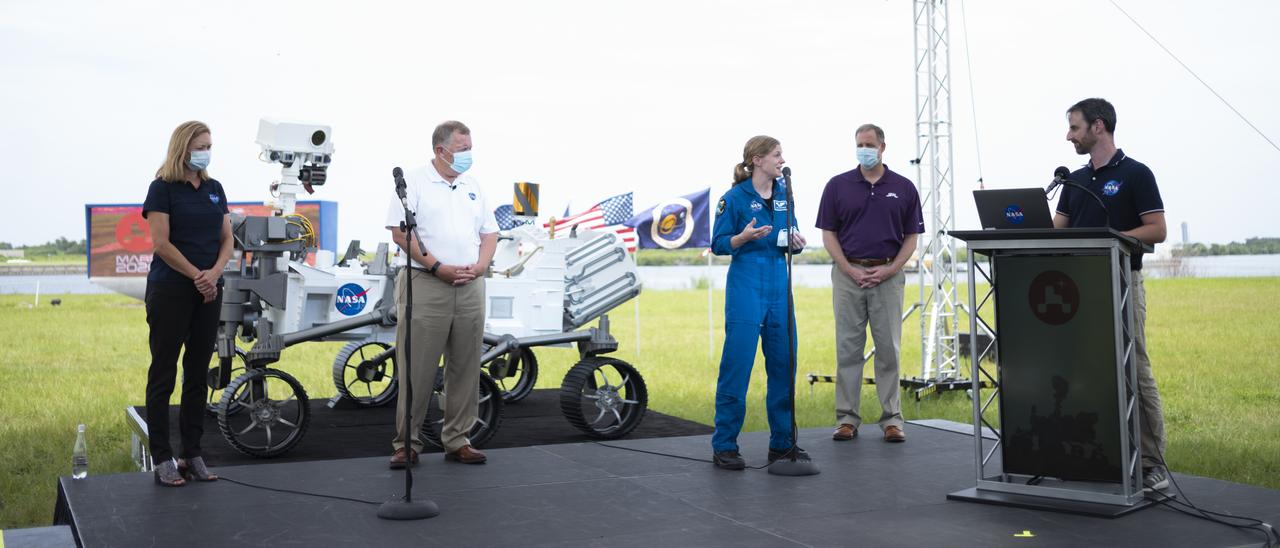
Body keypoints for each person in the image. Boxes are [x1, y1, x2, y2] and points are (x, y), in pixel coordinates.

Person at [1054, 97, 1168, 490]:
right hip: (1077, 291)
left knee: (1134, 368)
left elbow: (1156, 230)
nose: (1069, 136)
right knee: (1087, 373)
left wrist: (1112, 240)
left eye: (1074, 127)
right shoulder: (1074, 181)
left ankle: (1153, 464)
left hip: (1122, 283)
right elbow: (1057, 231)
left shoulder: (1137, 174)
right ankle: (1096, 452)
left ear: (1098, 126)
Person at [384, 120, 498, 468]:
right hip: (427, 281)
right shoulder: (415, 182)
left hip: (469, 284)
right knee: (417, 366)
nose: (468, 155)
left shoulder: (473, 185)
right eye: (462, 149)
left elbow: (489, 233)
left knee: (465, 366)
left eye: (469, 148)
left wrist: (479, 267)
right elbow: (401, 234)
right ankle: (407, 443)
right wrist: (437, 266)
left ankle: (458, 439)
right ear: (440, 150)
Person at [816, 124, 923, 444]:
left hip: (887, 277)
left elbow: (911, 237)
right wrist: (848, 268)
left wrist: (891, 269)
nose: (864, 149)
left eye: (869, 144)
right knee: (848, 348)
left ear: (882, 147)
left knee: (888, 348)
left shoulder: (903, 187)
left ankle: (892, 419)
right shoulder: (838, 186)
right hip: (848, 276)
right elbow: (828, 234)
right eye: (859, 144)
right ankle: (847, 418)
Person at [709, 135, 808, 470]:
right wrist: (742, 237)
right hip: (746, 285)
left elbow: (789, 231)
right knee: (737, 366)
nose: (782, 160)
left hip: (780, 283)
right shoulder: (733, 199)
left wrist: (797, 242)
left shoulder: (785, 194)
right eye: (777, 155)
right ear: (757, 159)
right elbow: (719, 244)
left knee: (783, 365)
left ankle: (782, 443)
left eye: (782, 154)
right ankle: (724, 445)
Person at [142, 121, 232, 486]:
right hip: (172, 290)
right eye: (202, 145)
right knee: (164, 372)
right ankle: (162, 456)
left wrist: (214, 274)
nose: (207, 152)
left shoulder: (214, 189)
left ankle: (191, 453)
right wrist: (198, 274)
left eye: (210, 146)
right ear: (183, 147)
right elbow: (160, 243)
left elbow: (227, 238)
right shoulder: (162, 188)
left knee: (197, 373)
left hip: (209, 289)